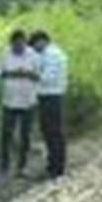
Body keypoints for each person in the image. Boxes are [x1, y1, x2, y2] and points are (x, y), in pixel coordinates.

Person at [0, 30, 40, 180]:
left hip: (28, 100)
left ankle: (22, 167)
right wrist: (11, 73)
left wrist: (29, 74)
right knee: (6, 134)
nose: (19, 48)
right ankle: (4, 166)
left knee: (25, 135)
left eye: (21, 45)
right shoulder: (5, 53)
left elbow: (40, 75)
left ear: (25, 43)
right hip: (9, 100)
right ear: (11, 43)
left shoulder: (33, 55)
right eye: (16, 45)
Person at [31, 31, 68, 180]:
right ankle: (53, 165)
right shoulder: (50, 53)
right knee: (49, 132)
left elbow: (48, 77)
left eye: (35, 45)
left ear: (42, 41)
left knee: (53, 132)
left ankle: (56, 168)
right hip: (49, 96)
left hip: (51, 96)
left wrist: (33, 75)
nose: (35, 49)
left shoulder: (52, 54)